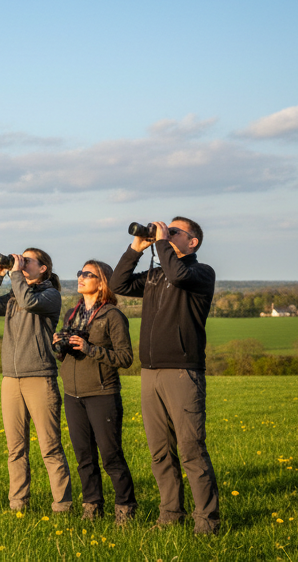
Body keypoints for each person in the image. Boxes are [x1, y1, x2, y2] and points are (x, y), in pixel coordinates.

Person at [109, 217, 218, 535]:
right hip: (150, 372)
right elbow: (119, 285)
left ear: (192, 242)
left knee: (191, 449)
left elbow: (178, 273)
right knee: (160, 451)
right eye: (165, 230)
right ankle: (170, 514)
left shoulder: (200, 272)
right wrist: (135, 249)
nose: (166, 235)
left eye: (174, 232)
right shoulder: (157, 275)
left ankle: (207, 522)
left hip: (183, 371)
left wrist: (160, 242)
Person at [0, 247, 74, 515]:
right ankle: (18, 504)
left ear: (43, 268)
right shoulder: (13, 295)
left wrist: (16, 275)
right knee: (15, 449)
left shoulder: (50, 295)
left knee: (50, 447)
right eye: (21, 259)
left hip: (40, 377)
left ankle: (62, 506)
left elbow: (29, 302)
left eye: (27, 260)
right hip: (11, 379)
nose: (22, 262)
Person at [54, 259, 136, 525]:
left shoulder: (112, 315)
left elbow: (125, 358)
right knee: (83, 457)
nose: (80, 277)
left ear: (102, 283)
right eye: (80, 272)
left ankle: (125, 507)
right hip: (73, 394)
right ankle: (92, 506)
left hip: (102, 393)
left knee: (111, 456)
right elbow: (64, 357)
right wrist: (59, 345)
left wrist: (89, 348)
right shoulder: (71, 313)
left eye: (87, 274)